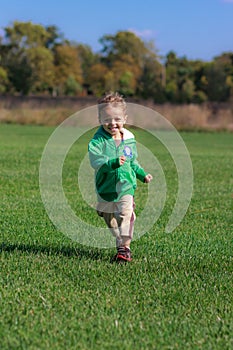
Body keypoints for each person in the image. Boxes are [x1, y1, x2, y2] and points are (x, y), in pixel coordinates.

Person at [88, 92, 153, 262]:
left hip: (126, 185)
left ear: (125, 118)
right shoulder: (97, 142)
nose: (112, 123)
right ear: (100, 119)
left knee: (125, 215)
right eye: (107, 119)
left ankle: (125, 249)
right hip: (106, 188)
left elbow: (132, 162)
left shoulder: (129, 139)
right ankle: (118, 238)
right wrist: (112, 163)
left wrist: (142, 175)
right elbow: (96, 161)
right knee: (109, 217)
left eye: (117, 119)